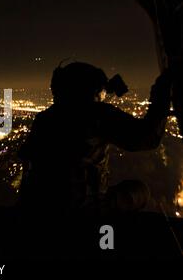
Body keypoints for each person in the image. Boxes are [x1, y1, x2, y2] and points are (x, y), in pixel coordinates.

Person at [18, 62, 172, 216]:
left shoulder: (44, 118)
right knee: (139, 191)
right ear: (93, 90)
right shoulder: (97, 114)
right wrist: (161, 95)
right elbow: (148, 138)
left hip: (40, 206)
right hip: (82, 209)